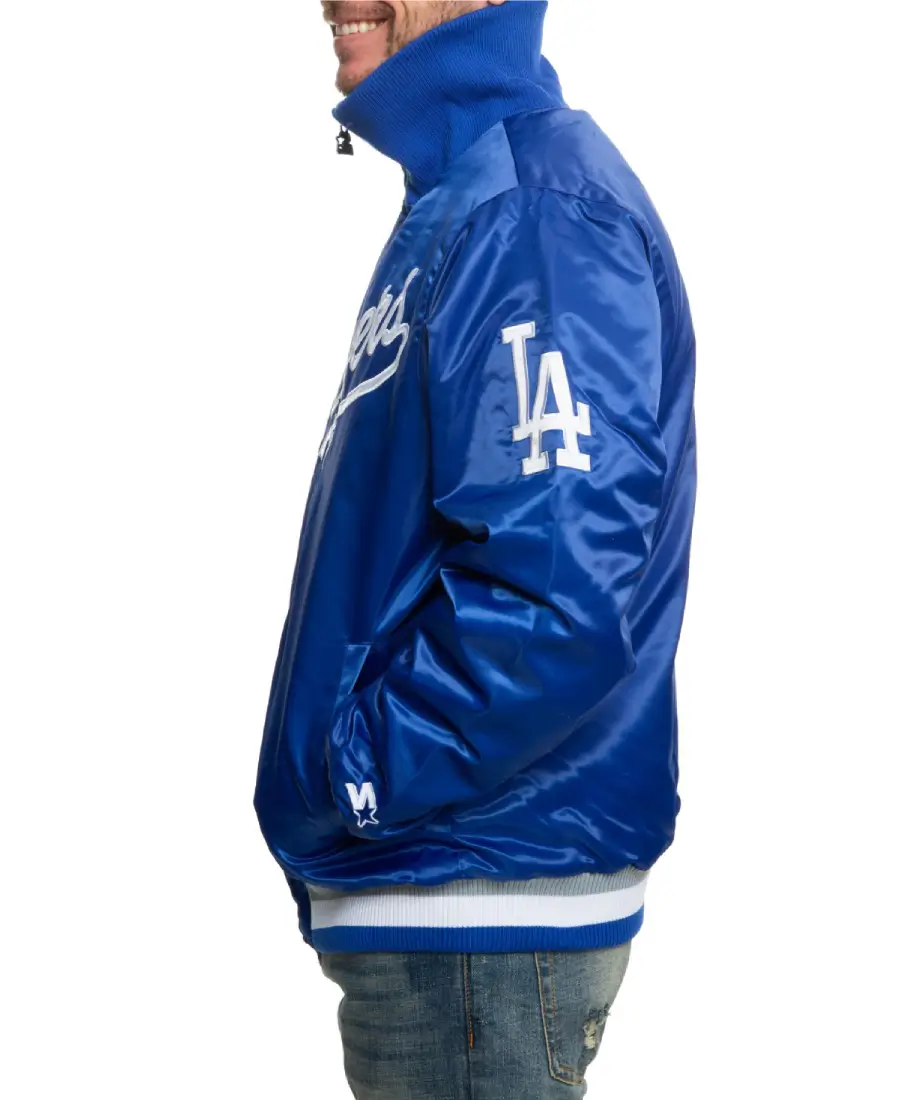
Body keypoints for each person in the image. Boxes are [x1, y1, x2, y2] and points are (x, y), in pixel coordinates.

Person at [254, 2, 697, 1096]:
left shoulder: (532, 214)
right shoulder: (469, 197)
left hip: (478, 897)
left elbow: (554, 597)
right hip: (453, 894)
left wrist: (359, 771)